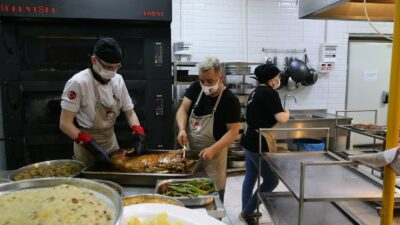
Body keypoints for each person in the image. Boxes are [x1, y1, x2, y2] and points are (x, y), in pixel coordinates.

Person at [59, 37, 145, 166]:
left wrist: (138, 131)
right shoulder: (78, 82)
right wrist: (90, 145)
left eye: (116, 67)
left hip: (111, 141)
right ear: (94, 60)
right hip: (87, 147)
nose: (112, 71)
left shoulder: (118, 80)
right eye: (108, 67)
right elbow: (65, 124)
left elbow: (129, 111)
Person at [176, 57, 241, 202]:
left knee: (212, 199)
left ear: (220, 77)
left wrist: (212, 149)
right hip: (191, 156)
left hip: (214, 158)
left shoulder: (229, 100)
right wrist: (182, 129)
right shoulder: (196, 88)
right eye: (202, 80)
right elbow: (183, 109)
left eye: (210, 81)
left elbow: (234, 131)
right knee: (191, 196)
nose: (205, 85)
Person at [239, 63, 290, 225]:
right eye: (278, 76)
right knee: (271, 181)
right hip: (259, 143)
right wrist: (287, 113)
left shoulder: (255, 92)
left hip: (249, 139)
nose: (279, 79)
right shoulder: (269, 93)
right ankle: (247, 211)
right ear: (272, 78)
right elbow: (281, 118)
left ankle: (246, 210)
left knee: (251, 176)